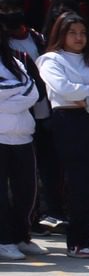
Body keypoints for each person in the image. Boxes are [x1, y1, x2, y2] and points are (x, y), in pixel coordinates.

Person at [37, 11, 89, 257]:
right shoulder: (51, 60)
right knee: (79, 182)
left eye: (83, 33)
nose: (78, 37)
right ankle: (78, 240)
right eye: (72, 32)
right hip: (68, 122)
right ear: (61, 34)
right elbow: (62, 89)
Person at [0, 35, 41, 260]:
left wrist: (7, 99)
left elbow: (32, 91)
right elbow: (23, 91)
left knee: (26, 191)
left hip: (22, 135)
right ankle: (4, 240)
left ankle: (21, 237)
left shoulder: (14, 61)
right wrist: (17, 94)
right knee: (1, 196)